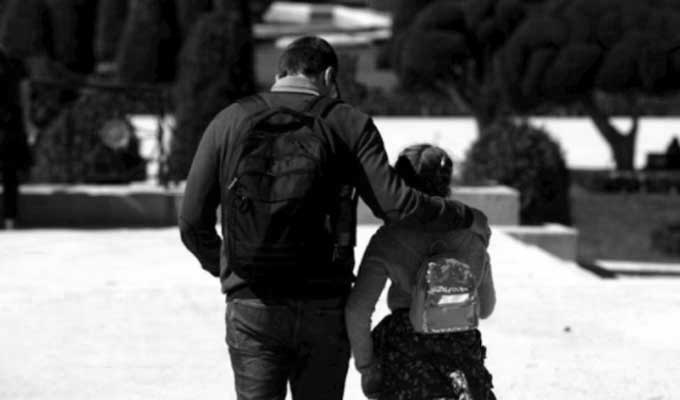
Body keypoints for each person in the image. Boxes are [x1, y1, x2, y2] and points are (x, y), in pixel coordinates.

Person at [179, 36, 488, 400]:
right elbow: (397, 205)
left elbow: (192, 222)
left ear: (280, 74)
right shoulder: (349, 123)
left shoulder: (230, 120)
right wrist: (464, 215)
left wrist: (231, 269)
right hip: (323, 304)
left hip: (253, 302)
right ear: (328, 76)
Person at [346, 144, 497, 400]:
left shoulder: (388, 238)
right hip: (460, 358)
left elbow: (357, 311)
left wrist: (367, 367)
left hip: (405, 361)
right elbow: (485, 308)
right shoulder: (474, 234)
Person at [0, 47, 32, 230]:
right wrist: (27, 123)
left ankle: (10, 219)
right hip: (11, 123)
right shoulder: (16, 64)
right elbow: (24, 96)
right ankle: (9, 220)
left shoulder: (15, 64)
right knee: (10, 175)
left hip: (10, 124)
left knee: (10, 174)